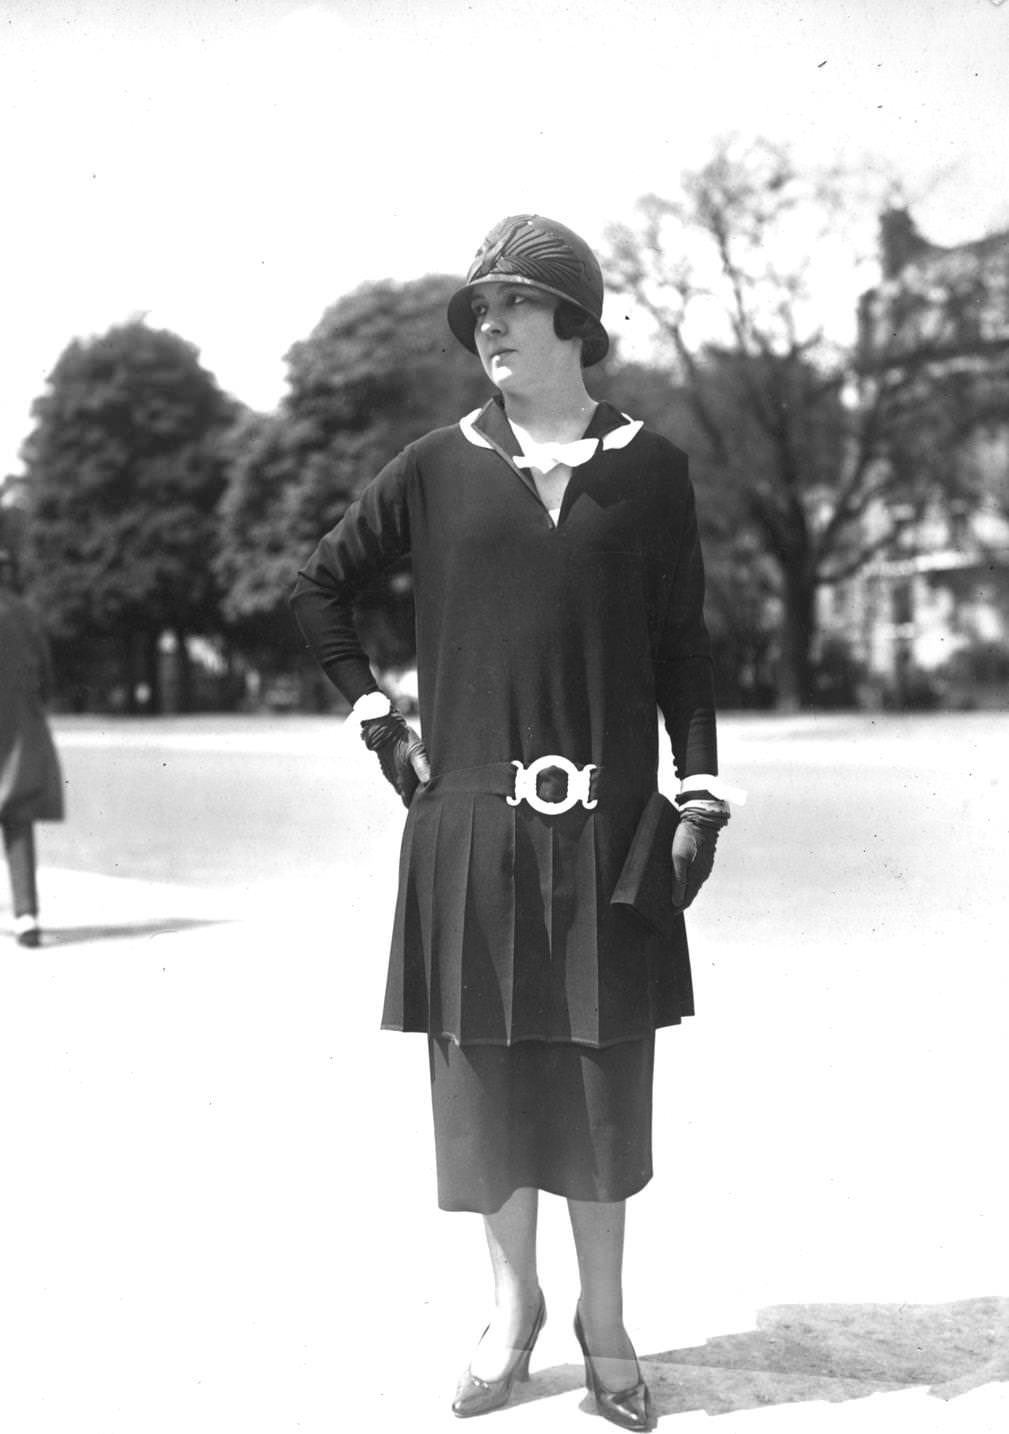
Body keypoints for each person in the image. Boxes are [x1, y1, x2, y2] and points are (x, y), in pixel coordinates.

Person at [291, 215, 741, 1429]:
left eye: (513, 305)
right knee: (484, 1086)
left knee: (600, 1086)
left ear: (574, 325)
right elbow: (319, 584)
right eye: (478, 310)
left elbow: (680, 649)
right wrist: (379, 717)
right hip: (471, 828)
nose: (487, 325)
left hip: (609, 829)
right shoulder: (436, 466)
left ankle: (604, 1319)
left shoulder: (651, 470)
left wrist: (697, 787)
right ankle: (512, 1313)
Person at [0, 547, 64, 948]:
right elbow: (47, 674)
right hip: (19, 728)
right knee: (18, 820)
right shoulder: (25, 612)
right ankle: (27, 915)